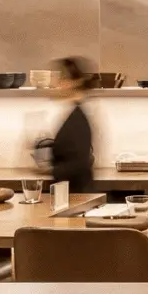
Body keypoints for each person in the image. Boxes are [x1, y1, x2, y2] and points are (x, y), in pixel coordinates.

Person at [47, 56, 95, 196]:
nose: (57, 83)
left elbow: (79, 163)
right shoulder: (73, 112)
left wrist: (50, 170)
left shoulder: (78, 117)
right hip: (72, 194)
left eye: (62, 78)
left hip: (76, 195)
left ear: (76, 82)